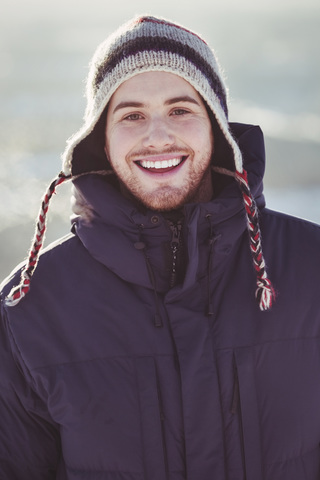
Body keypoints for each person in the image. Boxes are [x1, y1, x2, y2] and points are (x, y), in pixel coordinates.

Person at [0, 14, 319, 480]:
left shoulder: (309, 267)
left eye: (180, 109)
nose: (157, 136)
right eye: (131, 115)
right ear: (100, 139)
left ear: (216, 128)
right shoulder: (31, 308)